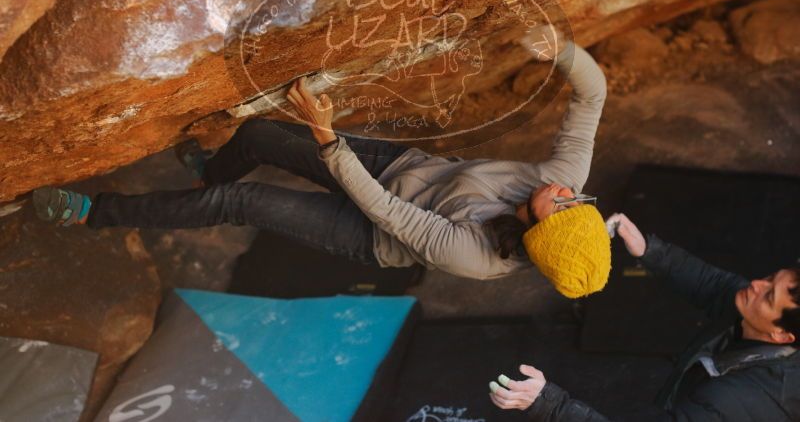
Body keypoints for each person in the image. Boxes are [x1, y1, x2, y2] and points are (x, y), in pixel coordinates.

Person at [32, 42, 611, 298]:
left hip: (372, 232)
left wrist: (328, 137)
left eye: (562, 206)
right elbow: (591, 99)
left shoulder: (475, 257)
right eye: (577, 201)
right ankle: (208, 177)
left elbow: (385, 211)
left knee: (244, 203)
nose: (566, 191)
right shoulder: (558, 185)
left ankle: (93, 214)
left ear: (539, 233)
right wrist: (561, 49)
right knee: (258, 135)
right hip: (402, 168)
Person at [489, 213, 800, 420]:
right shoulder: (754, 309)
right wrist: (649, 250)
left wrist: (548, 404)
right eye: (770, 278)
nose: (756, 284)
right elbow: (716, 286)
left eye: (769, 296)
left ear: (782, 336)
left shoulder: (735, 399)